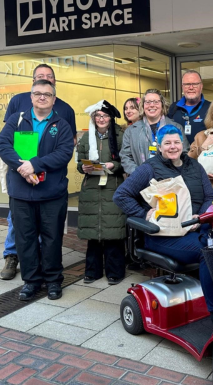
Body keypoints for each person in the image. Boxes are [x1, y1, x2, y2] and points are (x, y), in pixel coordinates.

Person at [113, 125, 213, 326]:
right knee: (207, 252)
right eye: (167, 143)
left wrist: (200, 216)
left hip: (193, 228)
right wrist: (144, 214)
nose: (172, 146)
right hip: (162, 236)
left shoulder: (195, 166)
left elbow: (210, 197)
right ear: (159, 146)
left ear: (182, 144)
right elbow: (121, 195)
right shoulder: (149, 168)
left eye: (176, 142)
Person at [0, 79, 74, 301]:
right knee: (25, 238)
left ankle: (52, 281)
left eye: (47, 94)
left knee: (52, 238)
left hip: (52, 195)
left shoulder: (61, 125)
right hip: (21, 194)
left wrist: (36, 164)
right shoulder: (17, 119)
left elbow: (64, 153)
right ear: (30, 97)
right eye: (37, 93)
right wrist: (22, 166)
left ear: (53, 99)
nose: (42, 97)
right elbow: (3, 146)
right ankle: (31, 281)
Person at [77, 100, 126, 285]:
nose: (101, 119)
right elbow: (79, 163)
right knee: (93, 233)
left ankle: (115, 271)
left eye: (104, 116)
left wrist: (115, 166)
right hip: (91, 187)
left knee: (113, 232)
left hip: (113, 186)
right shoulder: (86, 137)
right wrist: (84, 168)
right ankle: (92, 271)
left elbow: (126, 161)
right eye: (98, 116)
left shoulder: (120, 136)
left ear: (110, 118)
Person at [120, 89, 188, 176]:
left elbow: (184, 153)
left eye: (156, 102)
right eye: (148, 102)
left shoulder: (176, 127)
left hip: (170, 180)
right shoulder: (131, 131)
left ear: (162, 105)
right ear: (143, 106)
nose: (152, 105)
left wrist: (171, 171)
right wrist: (139, 173)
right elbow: (125, 156)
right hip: (141, 181)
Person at [168, 70, 211, 144]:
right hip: (177, 154)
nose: (191, 87)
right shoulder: (173, 108)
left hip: (202, 154)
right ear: (182, 87)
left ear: (201, 86)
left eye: (195, 84)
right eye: (187, 84)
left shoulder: (211, 108)